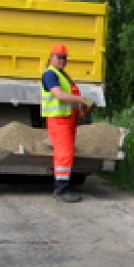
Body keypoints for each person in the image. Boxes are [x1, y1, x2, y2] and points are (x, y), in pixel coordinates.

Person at [41, 43, 93, 203]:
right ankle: (61, 189)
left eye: (64, 58)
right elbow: (58, 94)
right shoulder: (50, 74)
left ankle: (62, 187)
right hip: (58, 120)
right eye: (59, 57)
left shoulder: (62, 75)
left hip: (67, 120)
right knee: (63, 154)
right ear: (51, 58)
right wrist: (81, 100)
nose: (62, 61)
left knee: (66, 154)